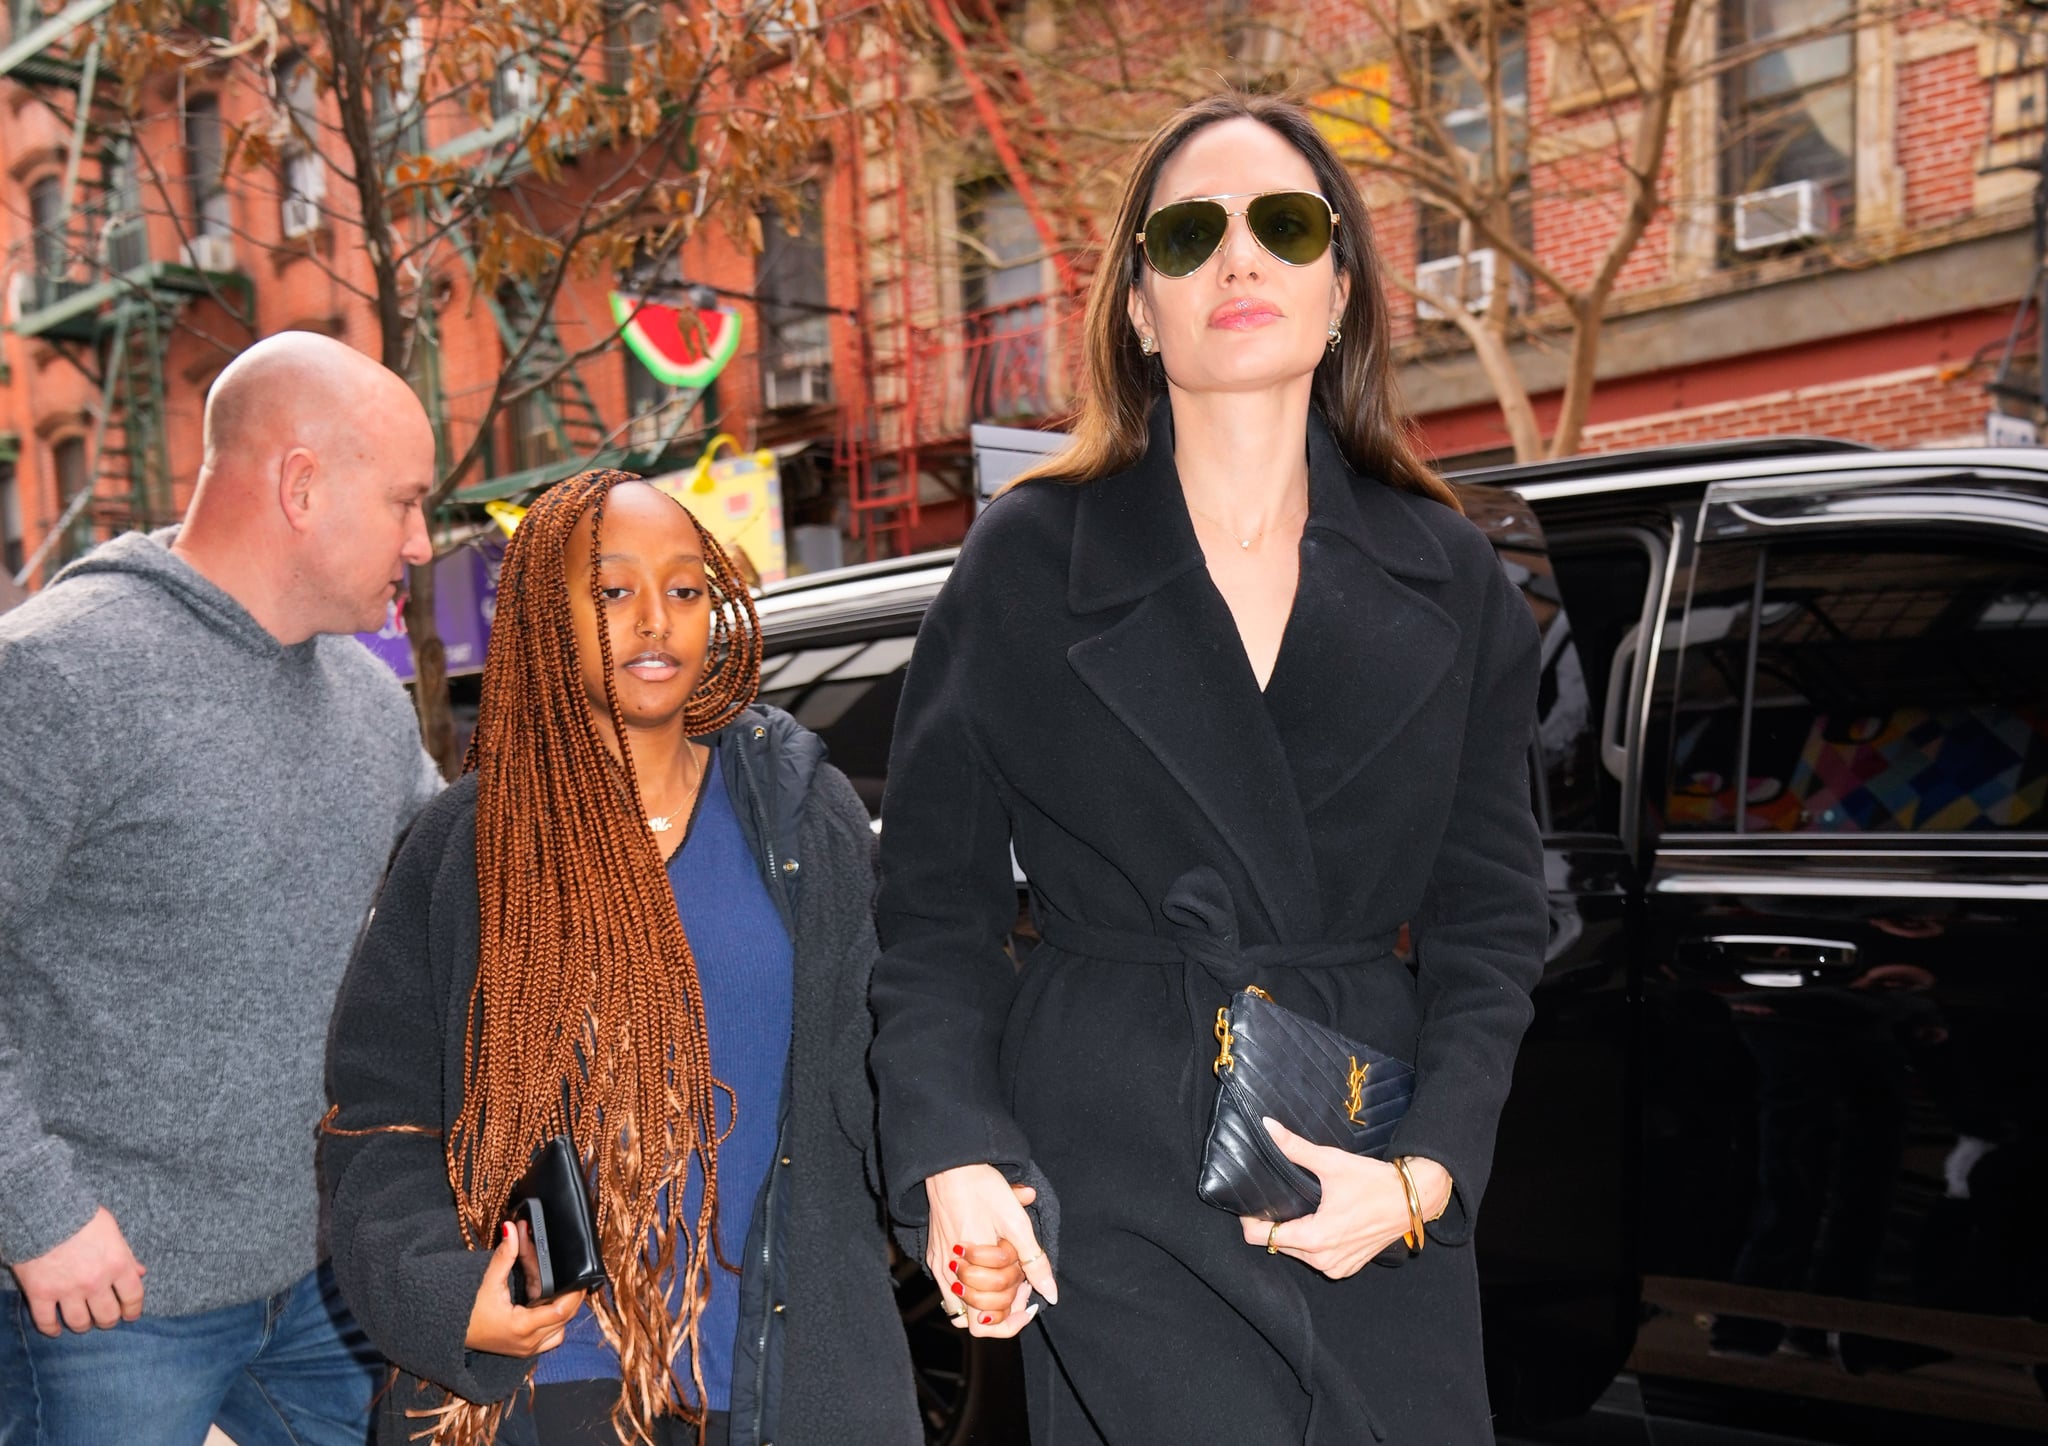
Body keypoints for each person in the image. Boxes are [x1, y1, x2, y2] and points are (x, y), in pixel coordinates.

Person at [869, 93, 1550, 1444]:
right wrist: (955, 1150)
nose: (1240, 260)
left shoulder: (1452, 573)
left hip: (1362, 1146)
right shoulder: (1027, 560)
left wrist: (1424, 1175)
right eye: (1191, 234)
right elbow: (932, 910)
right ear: (1138, 305)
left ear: (1340, 285)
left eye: (1285, 225)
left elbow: (1493, 921)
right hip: (1116, 1155)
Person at [323, 471, 950, 1446]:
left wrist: (962, 1186)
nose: (655, 619)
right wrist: (445, 1295)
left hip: (791, 1387)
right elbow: (377, 1121)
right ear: (542, 613)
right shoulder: (463, 847)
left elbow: (905, 1057)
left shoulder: (803, 818)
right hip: (544, 1390)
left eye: (688, 588)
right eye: (612, 591)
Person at [0, 331, 445, 1444]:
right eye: (403, 503)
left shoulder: (369, 701)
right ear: (301, 484)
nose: (422, 541)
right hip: (103, 1297)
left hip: (326, 1275)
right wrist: (36, 1211)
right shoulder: (57, 674)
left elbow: (466, 904)